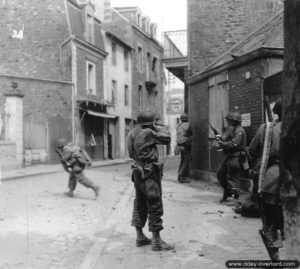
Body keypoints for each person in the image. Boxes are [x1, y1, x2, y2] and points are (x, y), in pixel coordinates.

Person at [127, 110, 174, 251]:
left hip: (137, 171)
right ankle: (157, 241)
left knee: (139, 203)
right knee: (154, 203)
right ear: (150, 122)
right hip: (149, 172)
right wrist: (157, 127)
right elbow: (167, 138)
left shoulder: (131, 133)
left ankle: (140, 237)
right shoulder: (148, 132)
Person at [248, 99, 284, 260]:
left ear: (277, 112)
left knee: (270, 222)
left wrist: (255, 168)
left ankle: (275, 255)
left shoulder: (266, 129)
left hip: (270, 179)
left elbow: (252, 152)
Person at [216, 109, 246, 203]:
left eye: (229, 120)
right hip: (229, 156)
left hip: (235, 157)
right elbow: (227, 140)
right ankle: (227, 192)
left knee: (232, 178)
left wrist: (222, 144)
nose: (228, 122)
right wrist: (221, 138)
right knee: (221, 175)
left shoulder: (239, 131)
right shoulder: (232, 129)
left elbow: (234, 144)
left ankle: (237, 200)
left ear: (234, 121)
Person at [176, 113, 193, 183]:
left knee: (182, 161)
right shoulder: (188, 125)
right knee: (186, 162)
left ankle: (179, 175)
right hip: (185, 145)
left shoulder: (178, 125)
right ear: (187, 119)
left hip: (179, 145)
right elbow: (192, 133)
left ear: (181, 119)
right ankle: (181, 176)